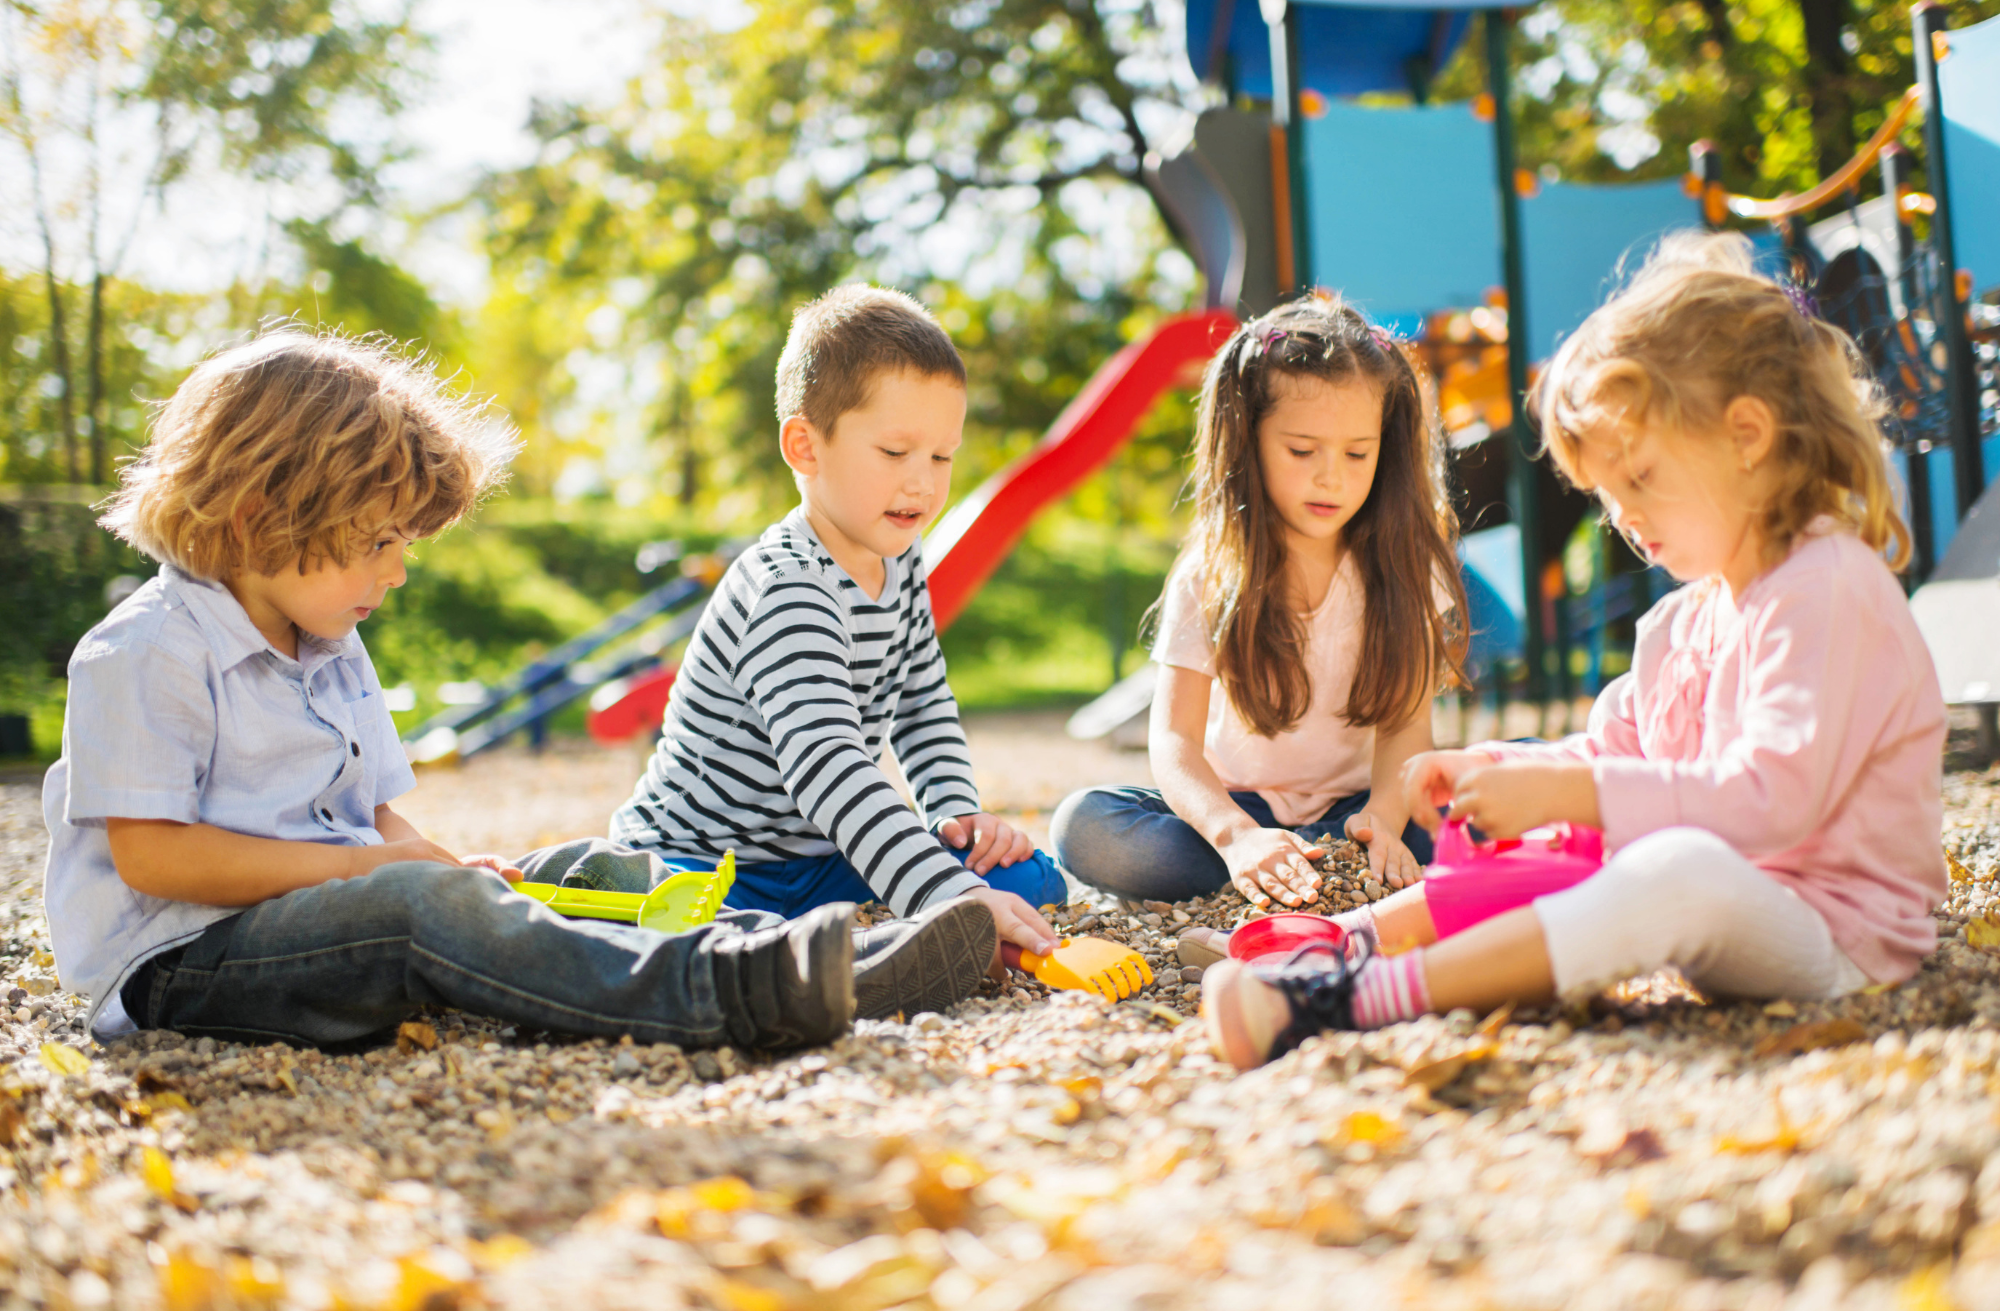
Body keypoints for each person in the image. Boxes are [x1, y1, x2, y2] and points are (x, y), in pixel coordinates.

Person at [44, 330, 998, 1051]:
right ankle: (739, 994)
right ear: (259, 517)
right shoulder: (147, 649)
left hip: (336, 910)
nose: (400, 572)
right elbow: (155, 858)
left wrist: (454, 864)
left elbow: (379, 822)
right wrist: (383, 877)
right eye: (381, 542)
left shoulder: (329, 640)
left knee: (582, 867)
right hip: (186, 963)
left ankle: (804, 951)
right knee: (424, 911)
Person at [1204, 233, 1949, 1068]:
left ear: (1747, 437)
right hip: (1723, 899)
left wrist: (1572, 785)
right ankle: (1346, 940)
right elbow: (1614, 752)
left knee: (1667, 858)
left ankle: (1357, 996)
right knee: (1552, 828)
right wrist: (1497, 766)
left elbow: (1774, 797)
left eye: (1640, 478)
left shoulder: (1827, 586)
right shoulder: (1683, 619)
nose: (1623, 518)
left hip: (1837, 933)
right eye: (1607, 494)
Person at [600, 285, 1064, 985]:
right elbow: (827, 764)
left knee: (1031, 879)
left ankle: (839, 932)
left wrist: (953, 816)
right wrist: (951, 893)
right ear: (805, 446)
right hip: (703, 855)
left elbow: (922, 704)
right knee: (702, 941)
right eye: (895, 450)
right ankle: (773, 946)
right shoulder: (788, 586)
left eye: (942, 457)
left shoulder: (902, 564)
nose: (922, 482)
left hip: (818, 856)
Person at [1050, 295, 1466, 912]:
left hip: (1367, 809)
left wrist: (1383, 817)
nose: (1333, 477)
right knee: (1085, 825)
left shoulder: (1407, 565)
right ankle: (1290, 865)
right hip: (1237, 808)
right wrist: (1236, 836)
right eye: (1303, 451)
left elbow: (1407, 726)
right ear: (1249, 441)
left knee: (1527, 778)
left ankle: (1325, 859)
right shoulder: (1211, 574)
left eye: (1358, 453)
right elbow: (1174, 741)